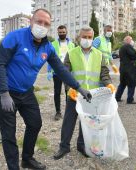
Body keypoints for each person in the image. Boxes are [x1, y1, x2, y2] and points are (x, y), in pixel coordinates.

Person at [0, 9, 91, 170]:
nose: (42, 26)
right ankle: (13, 167)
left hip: (26, 91)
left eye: (46, 24)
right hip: (3, 91)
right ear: (31, 21)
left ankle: (27, 159)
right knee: (9, 133)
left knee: (35, 123)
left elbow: (61, 69)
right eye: (39, 22)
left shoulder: (48, 47)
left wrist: (79, 87)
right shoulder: (14, 37)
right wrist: (3, 93)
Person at [53, 26, 115, 160]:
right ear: (78, 38)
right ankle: (64, 146)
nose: (87, 40)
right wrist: (69, 89)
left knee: (86, 122)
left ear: (93, 38)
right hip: (75, 93)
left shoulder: (99, 55)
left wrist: (108, 83)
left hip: (91, 95)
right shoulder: (72, 53)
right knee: (69, 120)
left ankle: (81, 145)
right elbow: (65, 73)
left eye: (89, 37)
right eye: (84, 37)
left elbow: (104, 72)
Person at [47, 25, 75, 120]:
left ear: (66, 32)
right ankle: (58, 112)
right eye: (60, 32)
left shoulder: (71, 45)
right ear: (57, 33)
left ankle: (69, 111)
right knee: (57, 92)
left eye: (63, 32)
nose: (62, 34)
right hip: (57, 71)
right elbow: (49, 57)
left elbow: (74, 57)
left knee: (68, 91)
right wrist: (49, 70)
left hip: (68, 71)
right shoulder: (53, 44)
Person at [115, 36, 136, 104]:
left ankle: (117, 97)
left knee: (122, 83)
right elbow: (135, 54)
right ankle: (130, 99)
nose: (132, 41)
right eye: (131, 39)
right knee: (131, 83)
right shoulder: (127, 46)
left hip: (123, 68)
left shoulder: (122, 47)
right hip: (129, 68)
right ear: (127, 40)